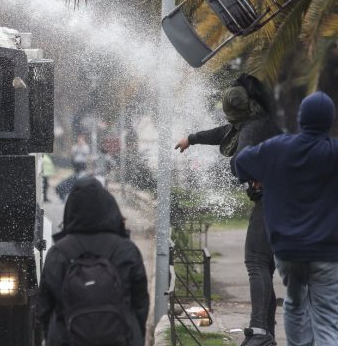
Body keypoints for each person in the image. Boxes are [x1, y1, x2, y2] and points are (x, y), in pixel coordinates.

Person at [234, 89, 338, 345]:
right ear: (330, 121)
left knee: (295, 304)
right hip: (326, 253)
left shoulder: (275, 150)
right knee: (325, 319)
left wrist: (253, 151)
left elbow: (240, 163)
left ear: (301, 118)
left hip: (287, 252)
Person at [175, 74, 281, 346]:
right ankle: (266, 330)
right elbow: (223, 133)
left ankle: (259, 332)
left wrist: (247, 172)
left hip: (273, 201)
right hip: (280, 198)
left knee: (255, 262)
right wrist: (192, 138)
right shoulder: (255, 121)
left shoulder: (250, 129)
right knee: (264, 265)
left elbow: (242, 158)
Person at [37, 177, 149, 346]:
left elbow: (44, 308)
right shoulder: (126, 250)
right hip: (120, 338)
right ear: (110, 208)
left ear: (70, 211)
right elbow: (140, 303)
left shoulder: (58, 252)